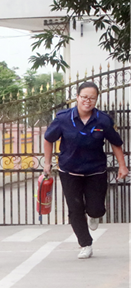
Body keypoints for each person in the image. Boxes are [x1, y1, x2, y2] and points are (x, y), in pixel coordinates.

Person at [44, 82, 127, 259]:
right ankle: (85, 244)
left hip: (95, 171)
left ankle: (94, 215)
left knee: (96, 209)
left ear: (96, 100)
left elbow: (116, 143)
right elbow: (48, 139)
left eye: (92, 98)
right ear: (77, 97)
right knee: (75, 209)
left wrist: (122, 165)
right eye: (84, 97)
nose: (87, 101)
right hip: (69, 171)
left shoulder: (103, 120)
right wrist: (47, 163)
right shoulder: (63, 118)